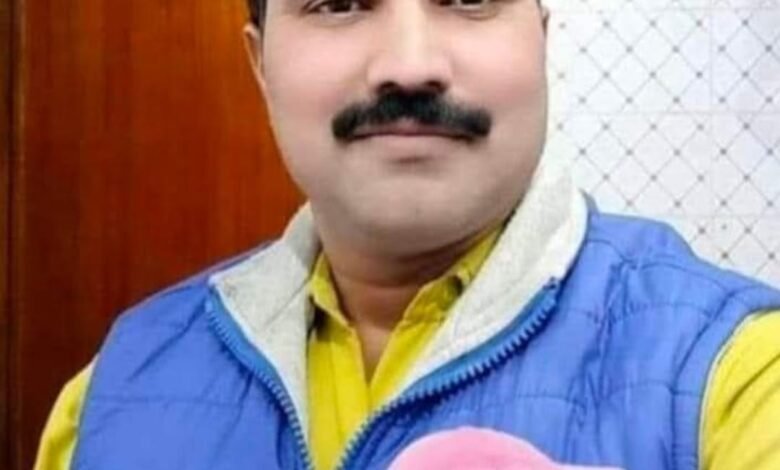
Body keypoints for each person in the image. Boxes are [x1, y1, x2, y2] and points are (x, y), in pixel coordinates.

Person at [34, 0, 780, 468]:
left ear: (540, 40)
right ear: (260, 64)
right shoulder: (111, 395)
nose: (410, 66)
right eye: (339, 3)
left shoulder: (738, 377)